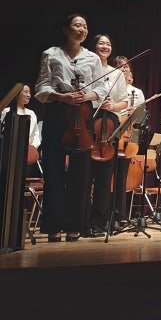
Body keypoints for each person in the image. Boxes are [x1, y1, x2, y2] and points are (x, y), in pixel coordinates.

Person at [34, 13, 107, 242]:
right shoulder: (50, 54)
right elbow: (41, 88)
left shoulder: (92, 58)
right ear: (66, 30)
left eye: (85, 26)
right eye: (77, 25)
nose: (82, 29)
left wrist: (88, 95)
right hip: (58, 113)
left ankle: (76, 225)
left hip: (83, 115)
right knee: (54, 172)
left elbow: (102, 88)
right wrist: (61, 96)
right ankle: (53, 226)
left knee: (81, 175)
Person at [87, 34, 129, 237]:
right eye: (101, 43)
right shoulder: (86, 68)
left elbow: (124, 102)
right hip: (89, 120)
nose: (105, 46)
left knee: (104, 179)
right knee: (85, 177)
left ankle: (100, 221)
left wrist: (112, 106)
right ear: (94, 46)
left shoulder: (117, 74)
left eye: (108, 44)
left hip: (110, 124)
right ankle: (81, 221)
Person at [110, 56, 146, 230]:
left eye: (126, 67)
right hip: (109, 133)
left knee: (122, 178)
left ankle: (120, 216)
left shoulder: (136, 92)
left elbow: (141, 117)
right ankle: (104, 215)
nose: (123, 70)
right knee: (107, 178)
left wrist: (134, 141)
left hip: (127, 138)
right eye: (119, 67)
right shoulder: (110, 86)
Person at [1, 83, 41, 173]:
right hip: (10, 153)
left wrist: (32, 148)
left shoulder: (31, 113)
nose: (29, 95)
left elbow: (36, 134)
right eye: (26, 92)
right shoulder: (7, 111)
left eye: (29, 92)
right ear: (17, 94)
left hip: (27, 152)